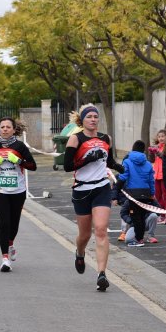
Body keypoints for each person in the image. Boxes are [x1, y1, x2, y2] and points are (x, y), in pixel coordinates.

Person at [63, 104, 124, 291]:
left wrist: (121, 168)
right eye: (89, 116)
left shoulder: (106, 138)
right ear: (83, 120)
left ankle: (101, 274)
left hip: (101, 188)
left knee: (100, 230)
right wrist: (87, 159)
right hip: (82, 190)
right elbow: (67, 166)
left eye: (95, 117)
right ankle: (80, 253)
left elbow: (109, 161)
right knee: (85, 234)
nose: (93, 119)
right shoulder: (75, 138)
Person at [0, 117, 37, 272]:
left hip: (18, 191)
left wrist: (18, 161)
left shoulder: (20, 146)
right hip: (0, 190)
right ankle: (5, 259)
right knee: (4, 223)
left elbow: (33, 166)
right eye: (2, 127)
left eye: (8, 127)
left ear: (13, 129)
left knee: (14, 224)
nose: (5, 129)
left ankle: (10, 243)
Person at [115, 140, 155, 248]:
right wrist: (152, 193)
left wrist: (116, 189)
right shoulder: (148, 164)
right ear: (143, 150)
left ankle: (138, 239)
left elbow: (123, 176)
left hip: (133, 193)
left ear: (133, 148)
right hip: (146, 193)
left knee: (135, 217)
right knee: (141, 216)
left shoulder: (127, 161)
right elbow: (151, 180)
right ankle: (140, 238)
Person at [149, 130, 166, 225]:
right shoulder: (156, 147)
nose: (161, 138)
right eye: (159, 136)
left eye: (163, 136)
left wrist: (157, 151)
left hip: (165, 175)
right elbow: (152, 160)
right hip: (156, 174)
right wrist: (151, 152)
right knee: (157, 196)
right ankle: (161, 216)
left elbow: (165, 158)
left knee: (165, 196)